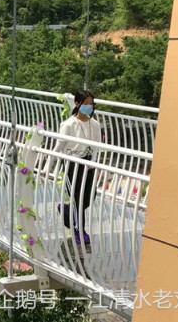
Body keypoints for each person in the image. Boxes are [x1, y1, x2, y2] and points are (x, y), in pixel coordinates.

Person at [54, 89, 102, 245]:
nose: (88, 107)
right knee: (77, 198)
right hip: (72, 163)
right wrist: (51, 164)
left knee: (89, 197)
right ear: (77, 103)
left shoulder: (94, 124)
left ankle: (66, 211)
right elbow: (59, 145)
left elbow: (96, 146)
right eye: (85, 103)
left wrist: (93, 163)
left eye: (91, 104)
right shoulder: (68, 124)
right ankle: (78, 229)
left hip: (87, 163)